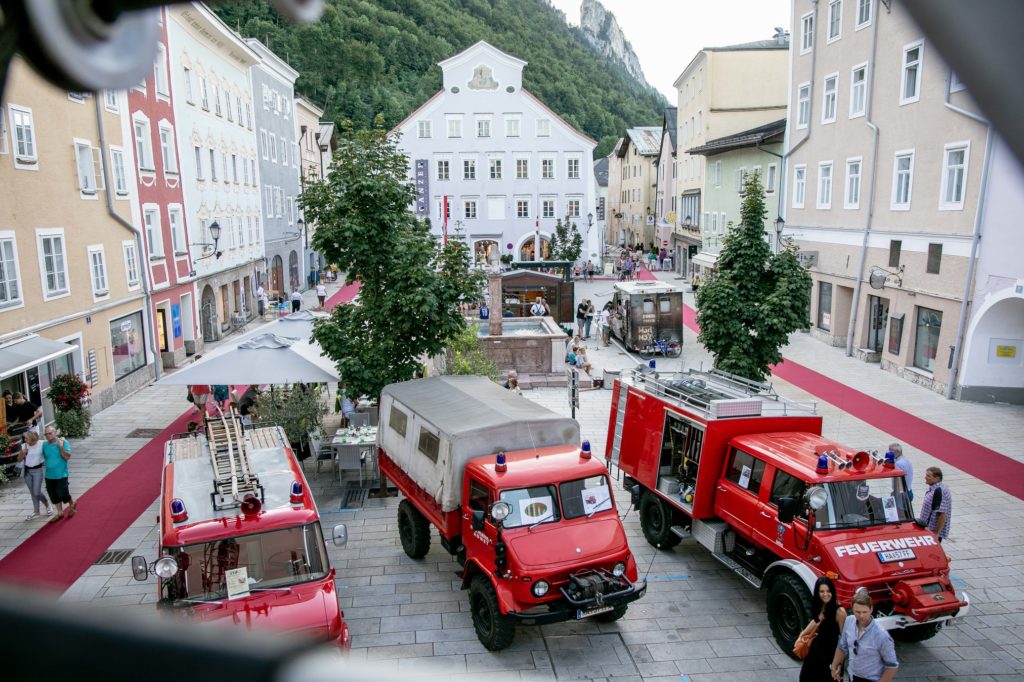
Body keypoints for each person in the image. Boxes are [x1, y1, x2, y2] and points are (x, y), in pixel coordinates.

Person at [831, 591, 898, 682]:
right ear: (852, 608)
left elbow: (891, 666)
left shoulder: (882, 635)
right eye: (857, 612)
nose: (861, 616)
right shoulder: (849, 621)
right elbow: (842, 646)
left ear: (871, 609)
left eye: (865, 612)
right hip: (852, 675)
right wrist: (835, 666)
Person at [799, 576, 847, 682]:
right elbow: (816, 621)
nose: (825, 594)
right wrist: (802, 634)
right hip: (816, 650)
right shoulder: (820, 605)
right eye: (822, 591)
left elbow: (844, 640)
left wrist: (839, 664)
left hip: (831, 654)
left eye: (828, 591)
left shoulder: (840, 612)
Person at [42, 426, 76, 523]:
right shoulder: (44, 445)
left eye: (50, 433)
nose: (48, 435)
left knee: (63, 493)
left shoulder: (63, 442)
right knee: (53, 494)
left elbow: (67, 457)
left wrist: (60, 446)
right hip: (49, 475)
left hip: (61, 474)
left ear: (55, 433)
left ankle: (72, 503)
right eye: (46, 434)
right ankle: (60, 512)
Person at [18, 430, 54, 520]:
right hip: (27, 472)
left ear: (31, 438)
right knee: (32, 492)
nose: (25, 440)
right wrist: (23, 453)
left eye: (26, 438)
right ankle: (36, 511)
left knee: (36, 492)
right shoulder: (24, 446)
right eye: (24, 438)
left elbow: (52, 441)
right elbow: (18, 459)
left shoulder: (41, 443)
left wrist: (62, 440)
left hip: (37, 470)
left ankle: (47, 505)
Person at [917, 466, 951, 542]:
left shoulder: (940, 491)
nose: (925, 477)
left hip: (931, 532)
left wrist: (936, 534)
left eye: (928, 476)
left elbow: (942, 515)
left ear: (937, 478)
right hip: (927, 529)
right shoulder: (935, 488)